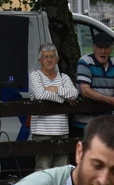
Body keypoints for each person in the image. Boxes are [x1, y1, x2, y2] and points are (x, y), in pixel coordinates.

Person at [28, 43, 79, 171]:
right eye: (46, 57)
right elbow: (40, 94)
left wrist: (54, 88)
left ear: (57, 59)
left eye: (52, 56)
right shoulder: (35, 76)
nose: (49, 60)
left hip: (61, 130)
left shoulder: (63, 77)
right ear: (40, 60)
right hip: (42, 131)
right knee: (43, 169)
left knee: (62, 170)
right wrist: (63, 99)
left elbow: (74, 94)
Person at [73, 33, 114, 138]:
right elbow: (85, 91)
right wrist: (111, 100)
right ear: (93, 47)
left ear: (111, 49)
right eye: (100, 47)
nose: (103, 51)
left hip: (107, 124)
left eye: (106, 47)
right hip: (85, 124)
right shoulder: (85, 62)